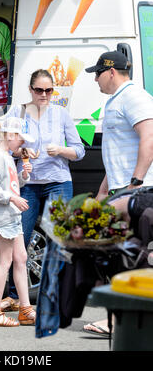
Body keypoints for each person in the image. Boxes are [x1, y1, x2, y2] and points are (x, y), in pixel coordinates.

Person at [1, 69, 85, 311]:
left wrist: (60, 150)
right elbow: (5, 145)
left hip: (58, 180)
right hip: (27, 183)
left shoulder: (61, 114)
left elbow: (79, 151)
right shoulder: (17, 112)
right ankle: (15, 296)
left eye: (49, 90)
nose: (44, 95)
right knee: (21, 238)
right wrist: (23, 152)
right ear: (30, 89)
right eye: (39, 90)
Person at [83, 49, 153, 336]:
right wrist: (103, 191)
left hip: (139, 191)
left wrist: (135, 183)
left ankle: (120, 319)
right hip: (121, 190)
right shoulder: (116, 100)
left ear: (111, 71)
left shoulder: (134, 96)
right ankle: (121, 318)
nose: (95, 79)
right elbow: (116, 156)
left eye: (97, 73)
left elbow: (149, 137)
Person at [0, 117, 36, 327]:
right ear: (11, 135)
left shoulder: (5, 156)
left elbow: (11, 184)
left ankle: (25, 309)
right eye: (21, 139)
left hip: (11, 215)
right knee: (4, 262)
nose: (22, 143)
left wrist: (23, 175)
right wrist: (12, 197)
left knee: (20, 258)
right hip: (3, 216)